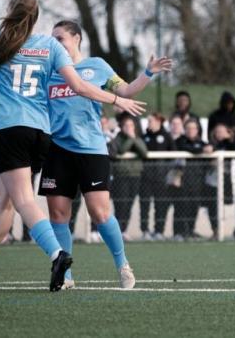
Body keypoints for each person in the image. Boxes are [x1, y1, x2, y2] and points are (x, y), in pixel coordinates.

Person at [0, 0, 144, 292]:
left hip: (10, 129)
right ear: (36, 17)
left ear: (9, 12)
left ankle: (58, 255)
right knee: (4, 204)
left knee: (23, 201)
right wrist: (117, 98)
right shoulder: (50, 45)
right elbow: (80, 86)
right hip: (41, 133)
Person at [37, 20, 171, 288]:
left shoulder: (96, 66)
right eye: (51, 39)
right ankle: (66, 276)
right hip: (57, 152)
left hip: (91, 150)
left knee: (100, 214)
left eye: (59, 38)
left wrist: (148, 72)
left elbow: (126, 91)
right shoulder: (48, 70)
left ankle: (123, 265)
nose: (55, 43)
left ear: (77, 38)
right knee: (58, 216)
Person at [110, 115, 148, 239]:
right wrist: (131, 138)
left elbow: (144, 152)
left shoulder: (138, 138)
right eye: (126, 125)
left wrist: (134, 138)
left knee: (130, 204)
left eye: (131, 125)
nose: (129, 128)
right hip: (121, 176)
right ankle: (117, 231)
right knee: (121, 204)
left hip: (135, 175)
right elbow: (121, 150)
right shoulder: (118, 139)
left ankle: (124, 230)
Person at [175, 118, 214, 239]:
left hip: (198, 180)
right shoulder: (179, 141)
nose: (191, 130)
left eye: (193, 128)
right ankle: (181, 231)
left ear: (197, 130)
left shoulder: (202, 143)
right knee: (182, 205)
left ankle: (191, 230)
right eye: (188, 128)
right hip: (183, 179)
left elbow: (210, 151)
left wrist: (210, 149)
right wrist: (202, 150)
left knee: (194, 205)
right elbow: (187, 149)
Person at [141, 112, 176, 240]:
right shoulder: (144, 137)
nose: (149, 123)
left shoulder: (166, 137)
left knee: (160, 205)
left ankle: (159, 231)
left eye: (151, 121)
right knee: (144, 204)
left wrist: (166, 171)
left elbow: (173, 155)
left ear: (158, 121)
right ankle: (144, 230)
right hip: (146, 176)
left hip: (161, 177)